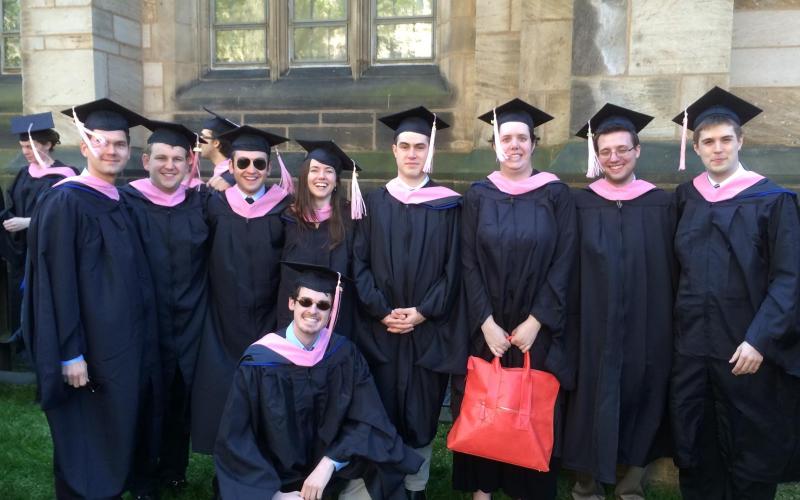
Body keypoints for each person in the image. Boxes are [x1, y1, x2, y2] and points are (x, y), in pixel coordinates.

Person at [22, 98, 159, 499]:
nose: (111, 151)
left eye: (119, 144)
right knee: (87, 434)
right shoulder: (66, 201)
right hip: (88, 350)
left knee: (114, 428)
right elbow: (56, 284)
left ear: (129, 151)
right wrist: (69, 353)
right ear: (85, 147)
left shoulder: (121, 200)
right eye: (102, 142)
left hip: (122, 347)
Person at [669, 87, 800, 499]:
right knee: (697, 439)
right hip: (692, 347)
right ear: (696, 147)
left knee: (750, 443)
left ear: (741, 141)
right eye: (708, 141)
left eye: (726, 139)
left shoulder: (772, 200)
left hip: (746, 349)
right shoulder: (686, 197)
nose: (718, 148)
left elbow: (789, 277)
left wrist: (760, 339)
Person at [452, 98, 577, 500]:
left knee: (531, 404)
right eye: (506, 138)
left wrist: (537, 319)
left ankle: (529, 487)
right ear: (495, 145)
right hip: (488, 324)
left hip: (534, 327)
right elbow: (467, 261)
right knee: (484, 400)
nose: (514, 145)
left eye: (522, 138)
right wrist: (484, 322)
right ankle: (482, 490)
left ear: (534, 144)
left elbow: (564, 260)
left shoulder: (556, 195)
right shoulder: (477, 196)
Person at [215, 262, 423, 500]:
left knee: (379, 473)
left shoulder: (344, 355)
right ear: (292, 303)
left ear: (331, 311)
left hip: (333, 472)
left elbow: (369, 419)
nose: (313, 310)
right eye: (305, 302)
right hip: (272, 478)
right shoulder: (260, 362)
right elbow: (237, 438)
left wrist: (329, 463)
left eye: (323, 305)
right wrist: (274, 495)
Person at [562, 104, 675, 499]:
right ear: (596, 155)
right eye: (605, 151)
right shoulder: (578, 204)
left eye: (622, 149)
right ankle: (586, 486)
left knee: (643, 397)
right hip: (590, 327)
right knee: (586, 404)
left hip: (647, 328)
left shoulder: (661, 205)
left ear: (638, 151)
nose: (614, 157)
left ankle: (631, 487)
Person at [353, 106, 464, 499]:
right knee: (378, 407)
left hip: (426, 330)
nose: (412, 153)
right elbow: (358, 264)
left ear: (429, 151)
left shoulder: (449, 206)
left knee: (421, 412)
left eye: (420, 146)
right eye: (405, 146)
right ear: (394, 151)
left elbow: (455, 269)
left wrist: (422, 312)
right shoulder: (372, 203)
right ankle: (377, 482)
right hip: (380, 330)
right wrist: (381, 310)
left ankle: (414, 486)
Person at [119, 120, 210, 497]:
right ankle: (141, 474)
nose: (169, 165)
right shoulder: (125, 202)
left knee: (180, 393)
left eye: (177, 158)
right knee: (145, 395)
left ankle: (174, 468)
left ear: (190, 162)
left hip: (189, 319)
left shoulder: (201, 202)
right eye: (161, 158)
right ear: (145, 160)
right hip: (145, 319)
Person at [191, 125, 292, 462]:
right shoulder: (214, 204)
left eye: (259, 164)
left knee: (267, 395)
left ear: (269, 168)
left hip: (267, 321)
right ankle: (228, 468)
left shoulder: (284, 208)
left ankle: (266, 465)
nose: (251, 170)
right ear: (230, 167)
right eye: (244, 162)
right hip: (222, 322)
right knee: (224, 393)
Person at [1, 113, 77, 335]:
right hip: (22, 250)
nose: (25, 151)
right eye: (23, 146)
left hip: (48, 251)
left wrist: (29, 222)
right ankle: (21, 344)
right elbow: (12, 205)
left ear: (49, 144)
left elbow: (67, 217)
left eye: (31, 146)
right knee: (20, 296)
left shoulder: (65, 176)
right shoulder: (24, 173)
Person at [277, 139, 360, 338]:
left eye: (329, 170)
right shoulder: (286, 217)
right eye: (314, 170)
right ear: (305, 175)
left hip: (338, 319)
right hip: (290, 317)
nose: (321, 176)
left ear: (336, 180)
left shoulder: (351, 219)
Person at [200, 107, 238, 192]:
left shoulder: (230, 180)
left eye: (203, 136)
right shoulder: (224, 174)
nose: (199, 141)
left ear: (216, 143)